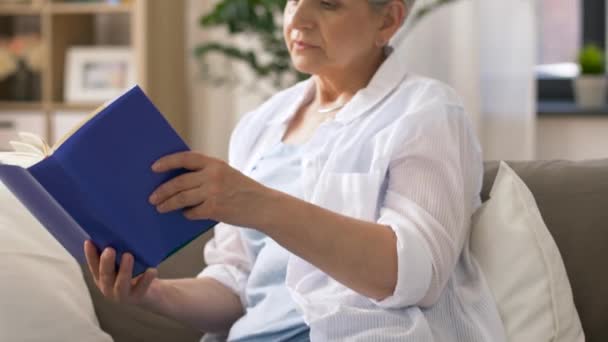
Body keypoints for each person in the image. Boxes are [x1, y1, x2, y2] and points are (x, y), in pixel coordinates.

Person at [84, 0, 507, 341]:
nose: (298, 19)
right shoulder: (259, 126)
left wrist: (258, 204)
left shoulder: (425, 112)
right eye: (293, 0)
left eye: (327, 4)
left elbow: (415, 275)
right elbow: (234, 288)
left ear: (389, 19)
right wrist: (153, 292)